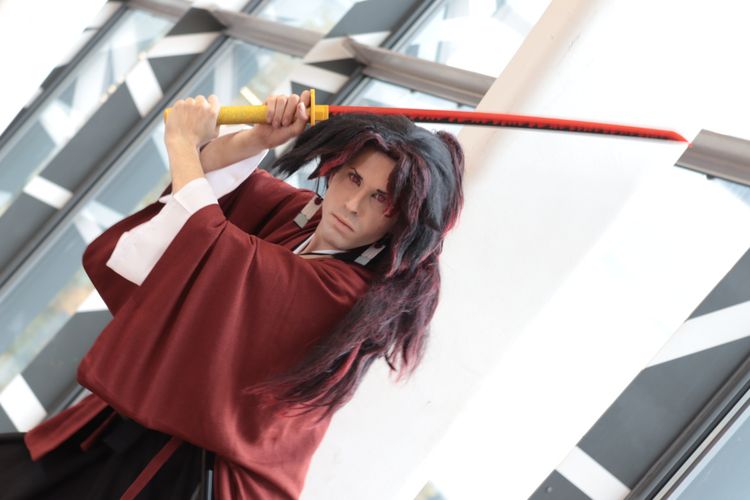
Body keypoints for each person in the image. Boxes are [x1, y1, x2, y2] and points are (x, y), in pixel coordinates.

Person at [0, 90, 464, 499]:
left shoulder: (350, 295)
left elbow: (210, 245)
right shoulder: (305, 214)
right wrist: (257, 139)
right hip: (143, 428)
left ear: (403, 220)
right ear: (334, 169)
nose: (352, 205)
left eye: (382, 199)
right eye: (354, 179)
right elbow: (211, 188)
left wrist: (183, 144)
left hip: (198, 474)